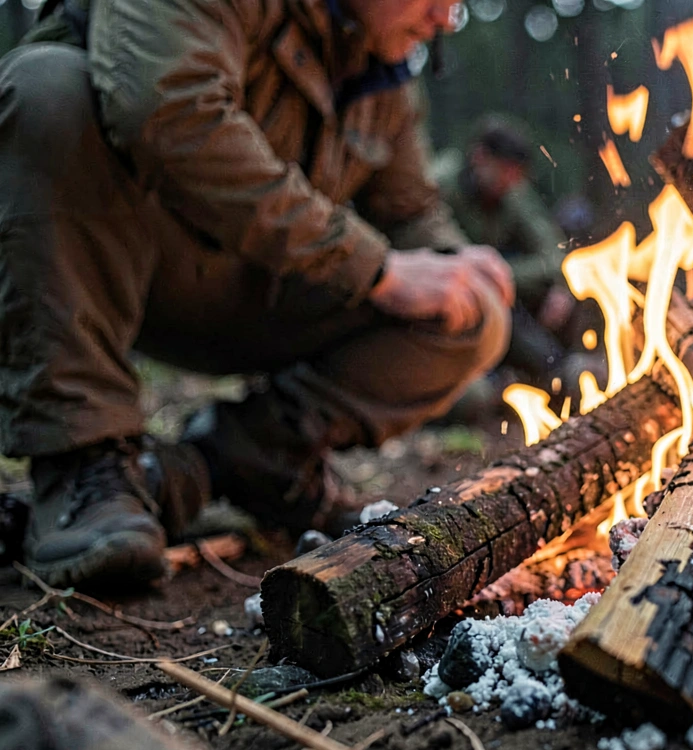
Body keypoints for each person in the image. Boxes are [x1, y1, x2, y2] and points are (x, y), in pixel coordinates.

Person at [0, 0, 515, 589]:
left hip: (259, 288)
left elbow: (409, 209)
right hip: (123, 267)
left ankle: (239, 462)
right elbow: (171, 113)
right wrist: (375, 270)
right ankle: (79, 468)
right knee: (47, 89)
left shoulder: (379, 64)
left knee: (471, 311)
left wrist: (456, 263)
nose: (447, 19)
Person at [431, 119, 575, 384]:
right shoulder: (440, 184)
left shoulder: (512, 192)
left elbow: (552, 250)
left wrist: (558, 284)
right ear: (480, 157)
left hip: (499, 295)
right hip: (441, 298)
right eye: (504, 171)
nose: (511, 182)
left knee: (547, 354)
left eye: (516, 174)